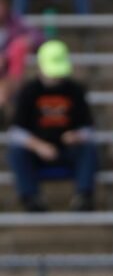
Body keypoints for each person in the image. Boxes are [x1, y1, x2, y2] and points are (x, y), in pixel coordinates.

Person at [7, 40, 98, 212]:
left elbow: (88, 128)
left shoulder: (75, 90)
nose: (56, 77)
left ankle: (83, 196)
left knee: (88, 149)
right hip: (37, 152)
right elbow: (16, 131)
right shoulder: (29, 91)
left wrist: (76, 136)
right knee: (17, 152)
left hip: (67, 150)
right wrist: (38, 146)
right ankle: (30, 197)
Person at [0, 0, 44, 107]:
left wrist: (27, 40)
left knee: (18, 47)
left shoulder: (15, 22)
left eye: (1, 5)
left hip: (10, 76)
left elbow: (38, 36)